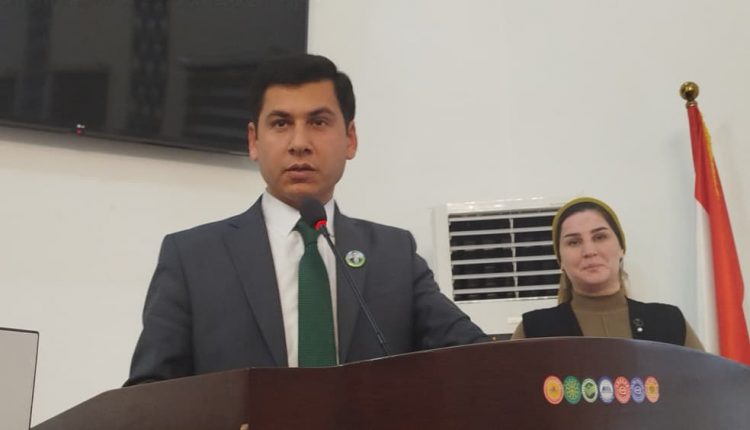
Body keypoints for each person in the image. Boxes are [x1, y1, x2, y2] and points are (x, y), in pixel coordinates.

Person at [125, 54, 487, 385]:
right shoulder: (193, 258)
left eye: (318, 122)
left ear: (350, 139)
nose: (299, 142)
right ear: (253, 141)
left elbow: (476, 357)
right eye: (281, 123)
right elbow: (148, 395)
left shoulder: (393, 255)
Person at [511, 196, 703, 350]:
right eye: (574, 242)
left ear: (621, 248)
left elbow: (708, 385)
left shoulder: (669, 322)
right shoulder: (533, 331)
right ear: (560, 260)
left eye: (600, 237)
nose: (589, 251)